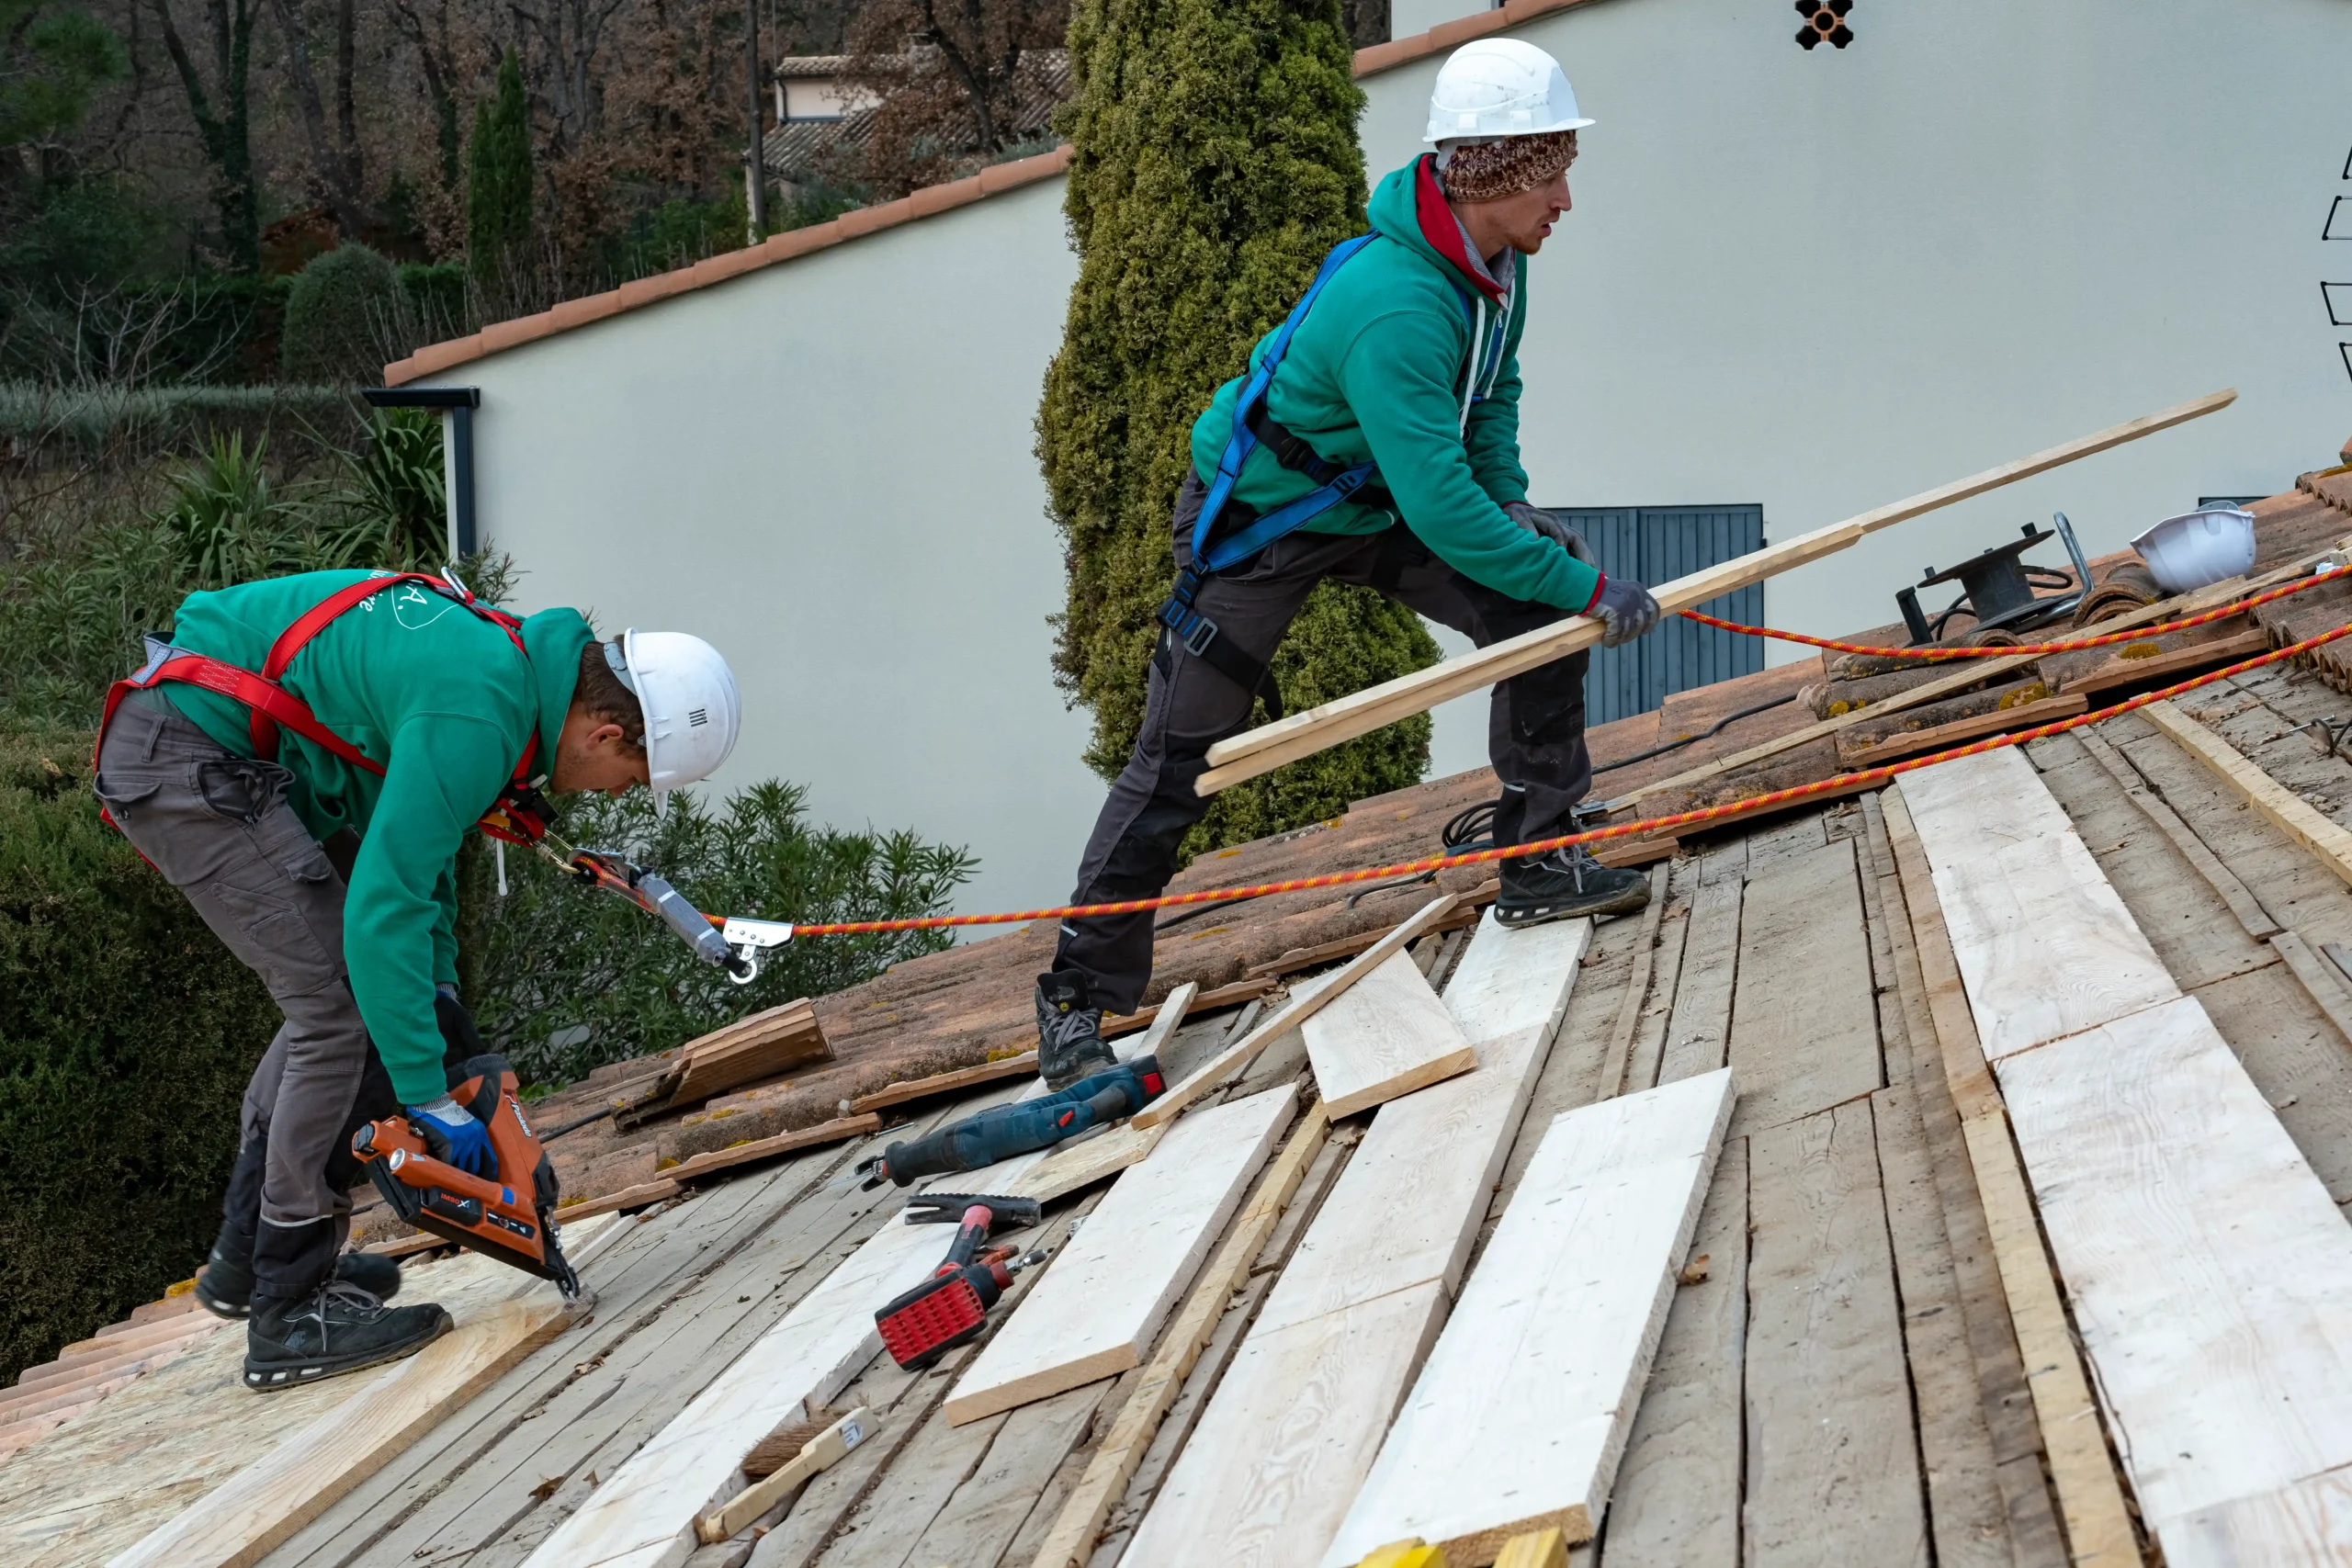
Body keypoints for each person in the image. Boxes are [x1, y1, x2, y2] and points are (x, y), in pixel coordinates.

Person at [1034, 39, 1663, 1089]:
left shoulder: (1494, 267)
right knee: (1179, 762)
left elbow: (1488, 411)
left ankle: (1538, 857)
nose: (1565, 197)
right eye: (1550, 173)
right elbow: (1444, 511)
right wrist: (1591, 587)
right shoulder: (1398, 303)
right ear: (1495, 172)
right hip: (1262, 523)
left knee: (1537, 612)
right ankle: (1073, 998)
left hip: (1372, 497)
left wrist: (1524, 519)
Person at [91, 569, 740, 1389]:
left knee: (375, 998)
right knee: (340, 1010)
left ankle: (252, 1259)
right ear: (608, 734)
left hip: (218, 746)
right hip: (190, 754)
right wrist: (430, 1097)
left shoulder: (506, 676)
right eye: (633, 779)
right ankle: (287, 1306)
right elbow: (383, 908)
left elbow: (418, 869)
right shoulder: (482, 710)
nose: (617, 795)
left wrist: (441, 1006)